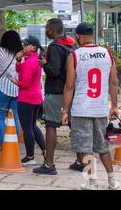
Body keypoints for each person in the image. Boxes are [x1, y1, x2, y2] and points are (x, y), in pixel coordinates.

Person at [61, 23, 120, 190]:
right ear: (92, 35)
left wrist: (65, 110)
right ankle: (112, 181)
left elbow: (69, 85)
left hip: (80, 109)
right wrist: (114, 106)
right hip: (100, 109)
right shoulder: (107, 53)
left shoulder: (75, 55)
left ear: (78, 36)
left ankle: (92, 183)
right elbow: (113, 82)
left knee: (85, 148)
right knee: (103, 147)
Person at [33, 18, 77, 175]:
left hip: (56, 92)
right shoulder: (72, 45)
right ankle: (80, 161)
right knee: (74, 126)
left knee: (51, 125)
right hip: (71, 92)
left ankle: (49, 164)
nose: (46, 30)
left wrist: (44, 64)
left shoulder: (54, 46)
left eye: (46, 27)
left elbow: (53, 71)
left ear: (52, 29)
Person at [12, 35, 46, 166]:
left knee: (27, 129)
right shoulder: (34, 59)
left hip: (26, 98)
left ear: (33, 47)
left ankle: (30, 156)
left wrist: (15, 81)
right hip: (36, 98)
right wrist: (18, 59)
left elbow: (24, 83)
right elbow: (18, 69)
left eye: (26, 45)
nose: (23, 47)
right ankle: (44, 150)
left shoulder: (30, 63)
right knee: (32, 126)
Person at [0, 30, 23, 147]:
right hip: (18, 88)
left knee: (0, 116)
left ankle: (4, 144)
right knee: (15, 116)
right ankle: (13, 144)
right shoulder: (21, 53)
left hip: (2, 87)